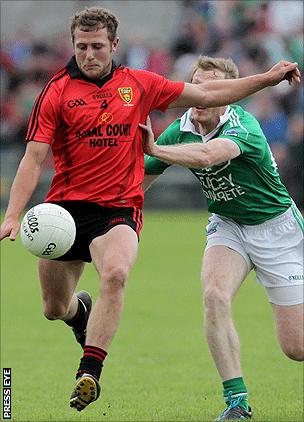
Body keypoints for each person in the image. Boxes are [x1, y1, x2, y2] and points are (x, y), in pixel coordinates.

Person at [0, 6, 301, 413]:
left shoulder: (149, 89)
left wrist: (268, 77)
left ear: (114, 45)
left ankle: (90, 370)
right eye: (81, 46)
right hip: (70, 212)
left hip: (151, 214)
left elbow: (211, 140)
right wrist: (14, 213)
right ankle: (81, 314)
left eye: (97, 47)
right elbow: (34, 158)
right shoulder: (56, 92)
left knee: (119, 273)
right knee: (55, 308)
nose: (89, 55)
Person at [141, 56, 303, 421]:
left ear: (230, 95)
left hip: (277, 230)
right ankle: (237, 402)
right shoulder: (181, 127)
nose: (202, 95)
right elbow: (138, 183)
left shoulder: (243, 125)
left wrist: (156, 150)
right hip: (228, 225)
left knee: (296, 348)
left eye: (213, 88)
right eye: (197, 85)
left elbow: (208, 155)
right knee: (214, 294)